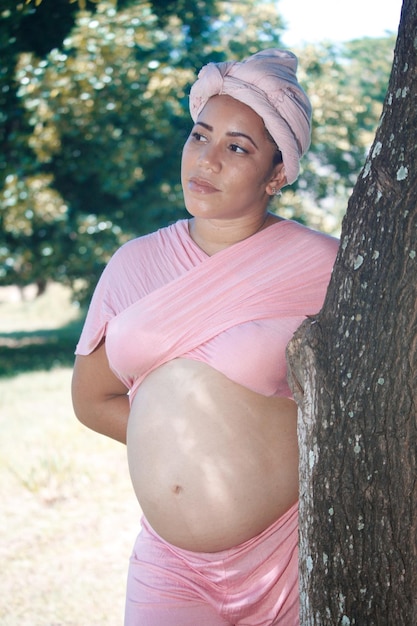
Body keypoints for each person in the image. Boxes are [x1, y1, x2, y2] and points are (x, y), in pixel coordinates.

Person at [71, 48, 339, 626]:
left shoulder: (322, 267)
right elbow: (91, 400)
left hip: (289, 554)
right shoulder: (131, 264)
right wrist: (170, 446)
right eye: (200, 136)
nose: (207, 160)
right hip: (171, 567)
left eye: (237, 147)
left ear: (277, 174)